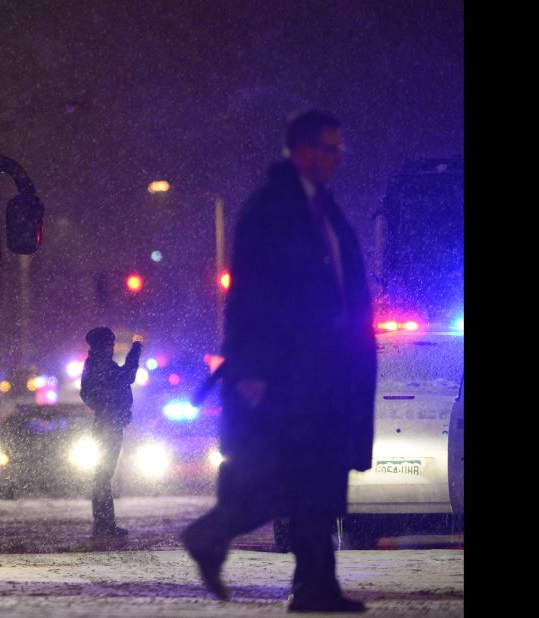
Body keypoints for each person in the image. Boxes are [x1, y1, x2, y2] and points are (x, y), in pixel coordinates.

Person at [180, 110, 376, 613]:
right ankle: (214, 535)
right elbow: (250, 294)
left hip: (326, 369)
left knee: (321, 477)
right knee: (295, 476)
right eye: (330, 149)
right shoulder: (273, 210)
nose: (338, 158)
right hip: (298, 370)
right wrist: (251, 368)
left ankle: (315, 586)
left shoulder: (320, 209)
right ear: (303, 150)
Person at [79, 327, 142, 539]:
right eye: (109, 344)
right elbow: (128, 376)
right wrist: (136, 350)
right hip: (108, 425)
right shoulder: (100, 365)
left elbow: (88, 393)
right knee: (103, 476)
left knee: (102, 476)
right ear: (103, 346)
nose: (111, 348)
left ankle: (104, 523)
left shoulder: (95, 365)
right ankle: (104, 525)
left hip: (106, 423)